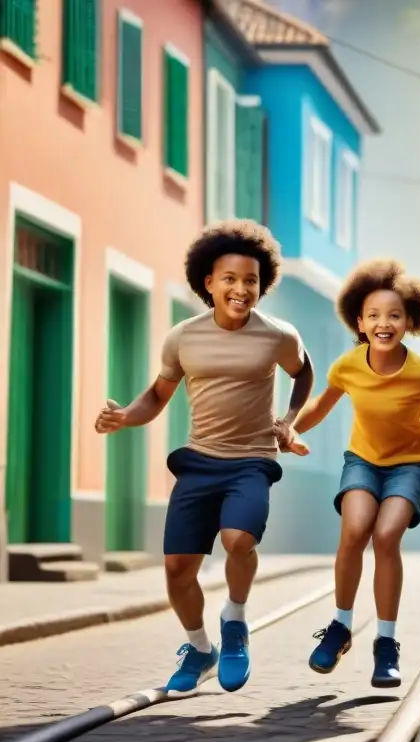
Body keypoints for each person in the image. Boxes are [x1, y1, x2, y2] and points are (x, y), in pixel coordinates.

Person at [94, 219, 314, 695]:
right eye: (230, 279)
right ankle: (198, 648)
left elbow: (303, 372)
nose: (241, 289)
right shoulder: (183, 338)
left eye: (251, 280)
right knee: (177, 570)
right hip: (199, 460)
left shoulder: (278, 335)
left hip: (252, 460)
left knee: (239, 539)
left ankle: (234, 621)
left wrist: (289, 419)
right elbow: (156, 394)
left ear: (263, 285)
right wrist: (126, 417)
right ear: (208, 283)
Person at [287, 258, 420, 688]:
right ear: (359, 321)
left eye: (393, 315)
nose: (383, 323)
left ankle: (386, 644)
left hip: (412, 464)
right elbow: (321, 404)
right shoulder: (348, 365)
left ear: (409, 320)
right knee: (355, 529)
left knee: (386, 535)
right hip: (364, 461)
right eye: (373, 315)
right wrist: (291, 427)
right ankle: (339, 627)